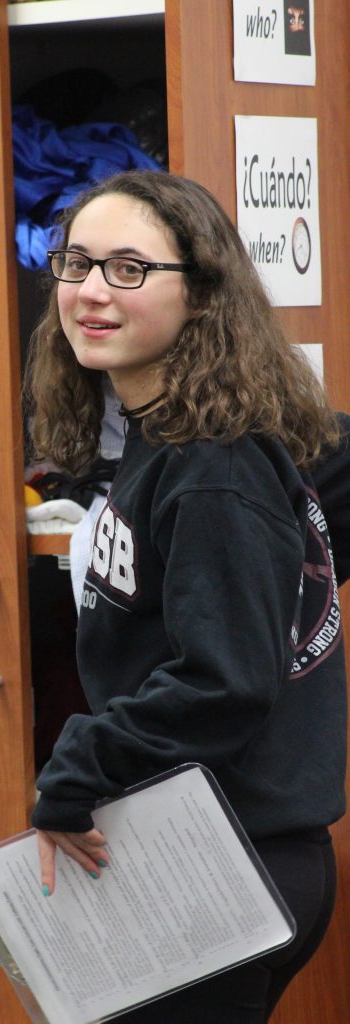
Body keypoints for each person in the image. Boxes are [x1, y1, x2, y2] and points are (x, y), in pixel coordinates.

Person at [24, 169, 349, 1023]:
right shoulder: (168, 442)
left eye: (128, 269)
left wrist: (78, 765)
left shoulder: (212, 467)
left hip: (232, 856)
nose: (90, 291)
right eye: (76, 263)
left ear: (201, 296)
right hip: (199, 844)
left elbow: (225, 679)